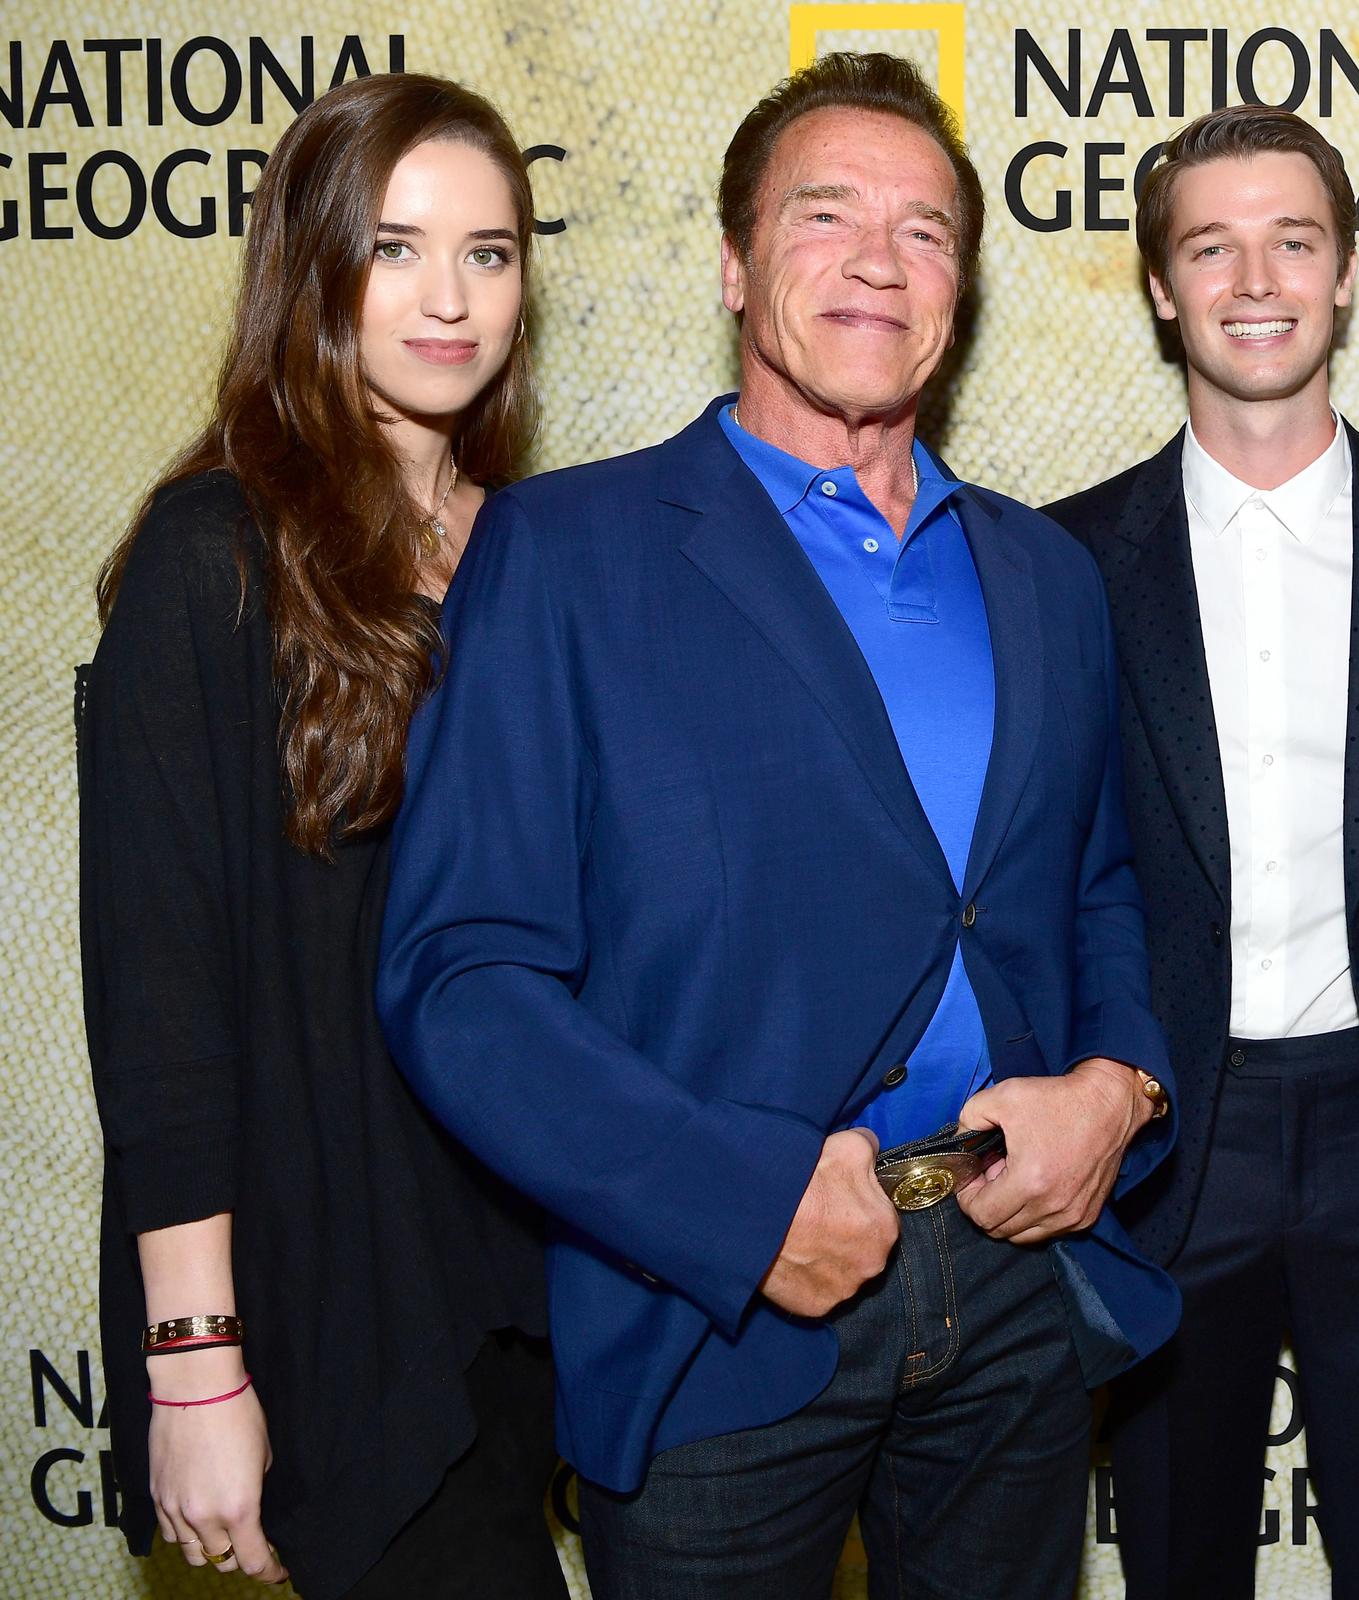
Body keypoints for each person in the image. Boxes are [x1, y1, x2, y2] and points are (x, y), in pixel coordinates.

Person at [375, 53, 1177, 1599]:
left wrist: (1121, 1085)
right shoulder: (567, 553)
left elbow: (1100, 889)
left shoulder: (1044, 576)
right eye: (828, 215)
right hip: (718, 1316)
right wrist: (740, 1212)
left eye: (928, 230)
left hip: (1015, 1292)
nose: (881, 258)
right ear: (738, 267)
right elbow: (461, 979)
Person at [77, 74, 560, 1597]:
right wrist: (198, 1366)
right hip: (328, 1290)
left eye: (489, 252)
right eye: (398, 246)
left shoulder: (536, 551)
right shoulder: (212, 555)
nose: (448, 297)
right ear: (315, 263)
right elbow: (161, 1000)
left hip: (533, 1272)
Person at [1044, 105, 1359, 1599]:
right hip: (1169, 1136)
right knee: (1173, 1561)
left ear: (1346, 274)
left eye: (1293, 241)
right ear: (1160, 287)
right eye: (1210, 246)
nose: (1255, 278)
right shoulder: (1061, 565)